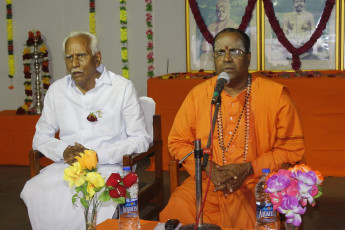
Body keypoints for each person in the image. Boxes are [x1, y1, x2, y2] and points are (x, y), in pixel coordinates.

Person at [159, 28, 305, 228]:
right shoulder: (199, 95)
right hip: (207, 181)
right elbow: (176, 141)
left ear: (248, 58)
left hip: (256, 182)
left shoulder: (276, 96)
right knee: (177, 208)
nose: (226, 58)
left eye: (235, 51)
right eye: (220, 52)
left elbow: (291, 150)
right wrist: (207, 168)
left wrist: (249, 168)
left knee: (250, 218)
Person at [20, 31, 151, 230]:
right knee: (34, 189)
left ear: (97, 58)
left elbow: (141, 139)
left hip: (109, 167)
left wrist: (98, 156)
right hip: (68, 169)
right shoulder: (57, 91)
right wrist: (63, 150)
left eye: (81, 55)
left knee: (95, 194)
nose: (74, 63)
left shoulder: (121, 88)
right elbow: (40, 137)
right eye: (69, 57)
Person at [200, 0, 238, 69]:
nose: (220, 14)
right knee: (204, 56)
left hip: (228, 56)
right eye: (218, 11)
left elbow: (236, 45)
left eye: (223, 11)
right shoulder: (211, 27)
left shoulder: (233, 26)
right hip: (212, 54)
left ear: (228, 12)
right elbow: (204, 46)